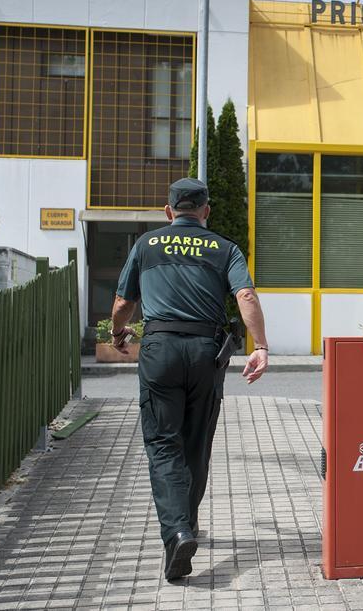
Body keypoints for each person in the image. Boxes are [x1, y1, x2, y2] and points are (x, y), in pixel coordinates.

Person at [109, 177, 270, 582]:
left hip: (160, 349)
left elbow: (124, 303)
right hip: (205, 353)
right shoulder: (225, 248)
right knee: (196, 443)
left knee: (164, 443)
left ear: (168, 211)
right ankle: (188, 525)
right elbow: (246, 296)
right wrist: (261, 346)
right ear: (206, 211)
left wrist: (116, 333)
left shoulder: (146, 245)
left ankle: (177, 532)